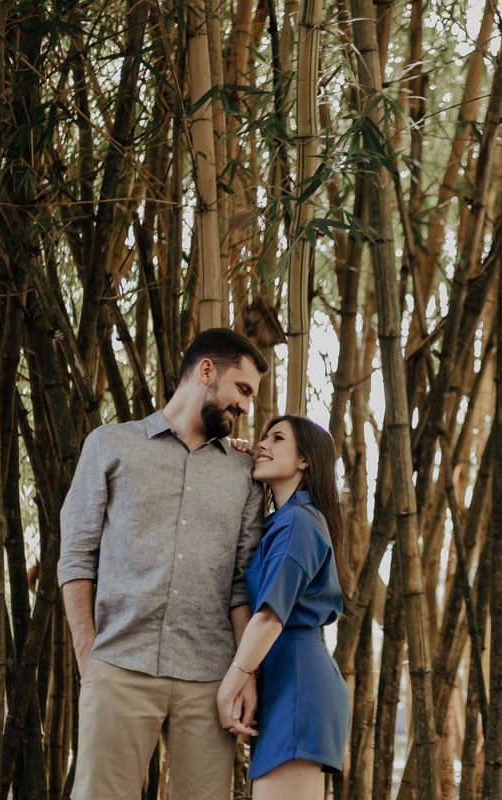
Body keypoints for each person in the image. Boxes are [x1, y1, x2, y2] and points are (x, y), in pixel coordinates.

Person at [59, 327, 268, 799]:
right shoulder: (110, 445)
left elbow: (241, 582)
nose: (247, 406)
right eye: (243, 389)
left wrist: (244, 676)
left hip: (208, 678)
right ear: (207, 371)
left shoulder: (245, 473)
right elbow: (76, 555)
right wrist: (87, 653)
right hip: (119, 665)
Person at [216, 415, 352, 799]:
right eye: (262, 437)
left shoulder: (299, 523)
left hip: (298, 682)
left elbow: (271, 616)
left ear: (305, 459)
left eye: (277, 438)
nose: (263, 443)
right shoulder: (281, 522)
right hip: (285, 678)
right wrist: (244, 456)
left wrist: (232, 684)